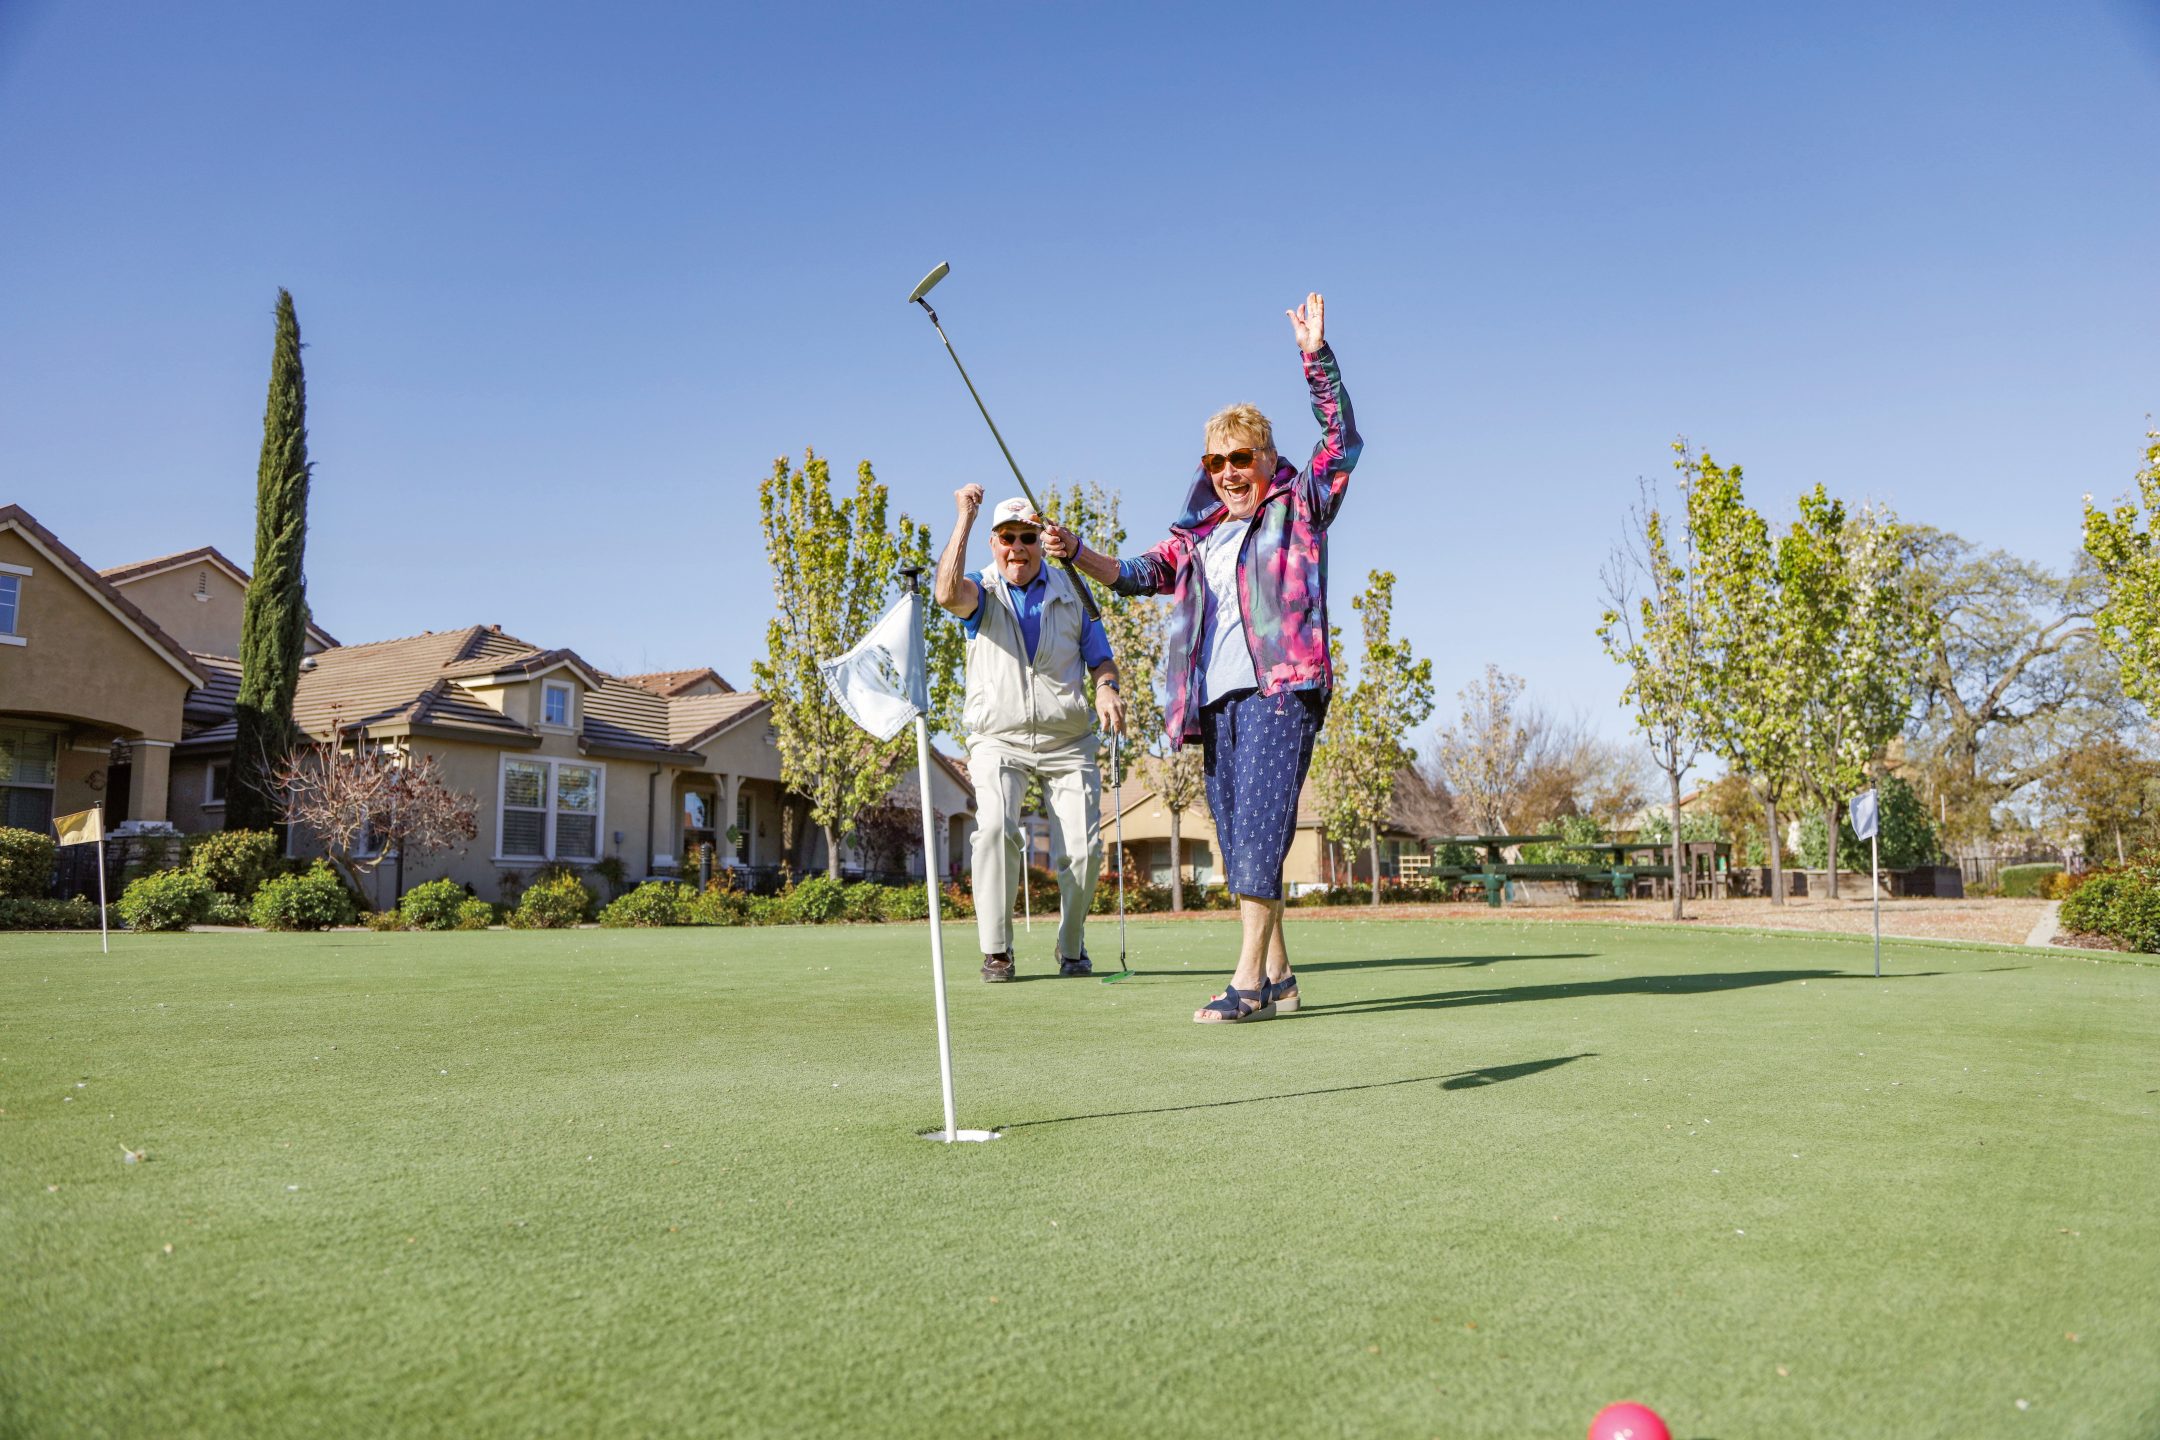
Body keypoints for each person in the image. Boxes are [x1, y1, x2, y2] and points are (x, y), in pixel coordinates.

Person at [1050, 292, 1358, 1023]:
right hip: (1213, 704)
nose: (1227, 471)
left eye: (1240, 458)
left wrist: (1316, 359)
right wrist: (1074, 550)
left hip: (1282, 689)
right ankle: (1281, 977)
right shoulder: (1198, 537)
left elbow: (1341, 441)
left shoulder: (1300, 505)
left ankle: (1247, 982)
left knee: (1257, 832)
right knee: (1242, 839)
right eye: (1215, 460)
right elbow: (1135, 573)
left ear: (1268, 460)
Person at [935, 488, 1125, 981]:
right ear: (994, 543)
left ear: (1041, 541)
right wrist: (965, 518)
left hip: (1069, 739)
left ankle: (1072, 946)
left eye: (1027, 537)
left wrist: (1106, 688)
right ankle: (997, 950)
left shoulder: (1074, 590)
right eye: (1006, 538)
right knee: (996, 830)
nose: (1016, 547)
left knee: (1083, 852)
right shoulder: (980, 589)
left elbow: (1101, 658)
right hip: (998, 738)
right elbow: (945, 595)